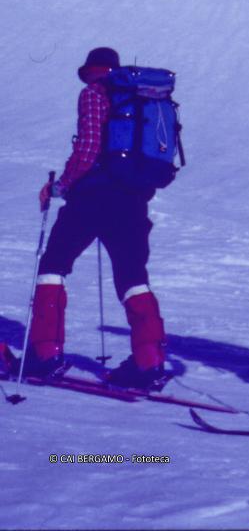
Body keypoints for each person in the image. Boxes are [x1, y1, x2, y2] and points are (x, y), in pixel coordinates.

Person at [20, 46, 168, 390]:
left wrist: (60, 186)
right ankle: (149, 361)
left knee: (53, 265)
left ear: (91, 71)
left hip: (92, 199)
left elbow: (87, 149)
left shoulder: (93, 94)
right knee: (132, 275)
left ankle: (44, 352)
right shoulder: (141, 99)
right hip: (132, 200)